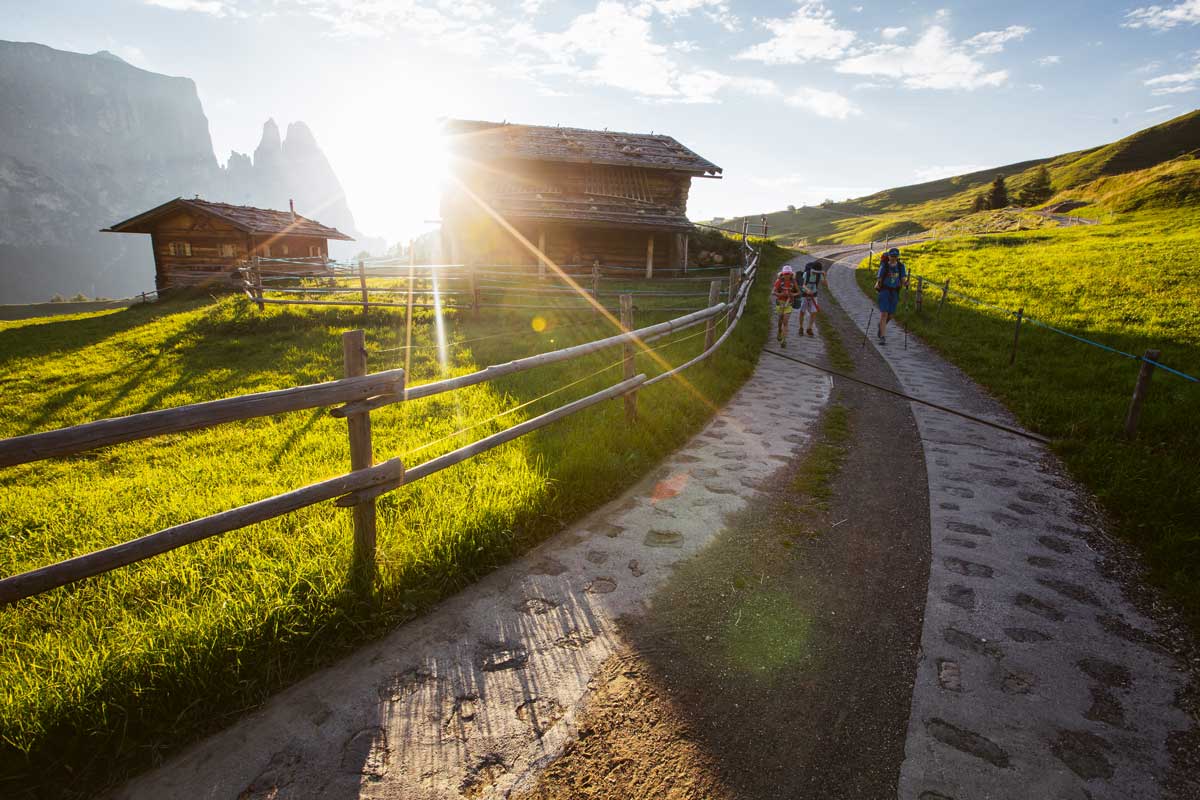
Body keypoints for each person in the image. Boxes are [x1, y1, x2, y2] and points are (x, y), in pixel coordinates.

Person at [874, 247, 907, 345]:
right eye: (892, 256)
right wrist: (878, 287)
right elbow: (879, 278)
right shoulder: (884, 266)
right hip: (884, 291)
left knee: (891, 315)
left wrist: (906, 283)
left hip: (895, 292)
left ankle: (880, 326)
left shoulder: (901, 266)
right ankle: (882, 337)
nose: (893, 258)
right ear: (888, 256)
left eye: (895, 256)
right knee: (884, 313)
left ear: (898, 257)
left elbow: (902, 280)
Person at [772, 265, 799, 347]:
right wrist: (781, 294)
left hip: (789, 303)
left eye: (788, 273)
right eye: (785, 273)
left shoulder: (793, 282)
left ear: (791, 274)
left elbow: (798, 292)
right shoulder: (779, 281)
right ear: (782, 274)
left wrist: (792, 294)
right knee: (780, 320)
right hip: (780, 303)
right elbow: (773, 292)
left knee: (785, 321)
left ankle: (784, 340)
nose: (787, 275)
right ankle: (779, 331)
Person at [796, 260, 823, 336]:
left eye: (817, 272)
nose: (815, 274)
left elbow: (825, 284)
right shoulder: (806, 274)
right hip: (805, 294)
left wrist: (824, 276)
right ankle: (801, 328)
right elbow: (803, 285)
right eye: (814, 272)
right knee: (802, 311)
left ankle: (809, 328)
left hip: (814, 295)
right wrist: (807, 290)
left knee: (814, 312)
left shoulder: (818, 275)